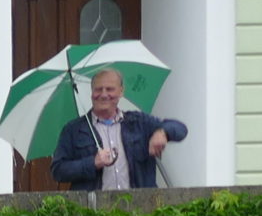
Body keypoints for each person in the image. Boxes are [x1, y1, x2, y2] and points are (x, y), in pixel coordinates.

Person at [50, 69, 185, 192]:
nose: (103, 95)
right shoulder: (73, 129)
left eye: (110, 89)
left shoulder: (139, 122)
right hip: (93, 212)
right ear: (92, 93)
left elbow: (180, 129)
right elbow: (58, 171)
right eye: (98, 89)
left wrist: (162, 133)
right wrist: (92, 163)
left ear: (121, 91)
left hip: (139, 211)